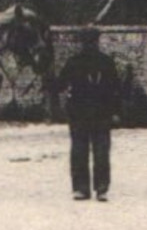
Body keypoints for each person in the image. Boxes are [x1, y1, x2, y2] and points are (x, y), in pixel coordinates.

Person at [52, 28, 121, 202]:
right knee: (100, 152)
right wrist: (115, 112)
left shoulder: (74, 62)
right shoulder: (106, 62)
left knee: (80, 151)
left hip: (80, 113)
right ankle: (101, 189)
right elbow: (116, 90)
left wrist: (49, 80)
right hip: (99, 113)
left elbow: (60, 85)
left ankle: (82, 189)